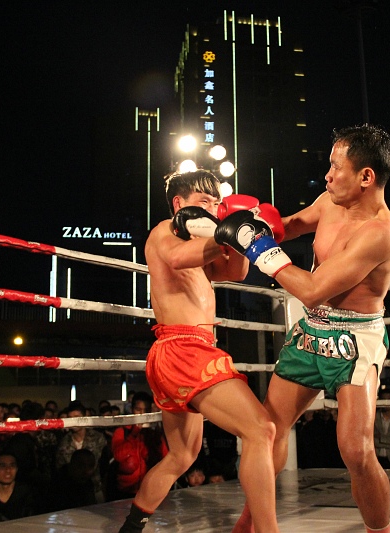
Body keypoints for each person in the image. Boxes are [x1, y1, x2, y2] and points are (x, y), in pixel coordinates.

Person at [217, 124, 390, 533]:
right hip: (311, 331)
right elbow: (288, 226)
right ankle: (249, 524)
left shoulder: (381, 234)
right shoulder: (330, 202)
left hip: (355, 339)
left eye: (336, 167)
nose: (328, 176)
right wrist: (255, 223)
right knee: (268, 430)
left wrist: (258, 248)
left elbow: (314, 290)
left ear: (366, 177)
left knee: (356, 451)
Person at [120, 170, 279, 533]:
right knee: (261, 429)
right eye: (203, 201)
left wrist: (244, 235)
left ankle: (130, 528)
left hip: (189, 351)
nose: (212, 208)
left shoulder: (203, 246)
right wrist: (229, 232)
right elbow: (178, 258)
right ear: (179, 204)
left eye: (216, 202)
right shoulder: (165, 232)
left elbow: (235, 273)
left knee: (182, 455)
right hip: (183, 350)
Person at [110, 391, 168, 499]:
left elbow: (165, 458)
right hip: (125, 493)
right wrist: (133, 434)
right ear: (132, 409)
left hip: (150, 492)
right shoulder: (122, 432)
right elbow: (118, 456)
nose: (142, 414)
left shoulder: (154, 434)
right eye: (138, 410)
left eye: (146, 410)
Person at [55, 402, 108, 503]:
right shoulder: (63, 442)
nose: (73, 421)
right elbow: (60, 468)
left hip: (95, 489)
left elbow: (104, 465)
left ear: (84, 417)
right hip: (71, 493)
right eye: (70, 418)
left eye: (77, 417)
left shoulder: (98, 438)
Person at [0, 452, 34, 520]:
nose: (8, 470)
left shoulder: (26, 493)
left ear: (16, 469)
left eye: (12, 466)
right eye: (2, 466)